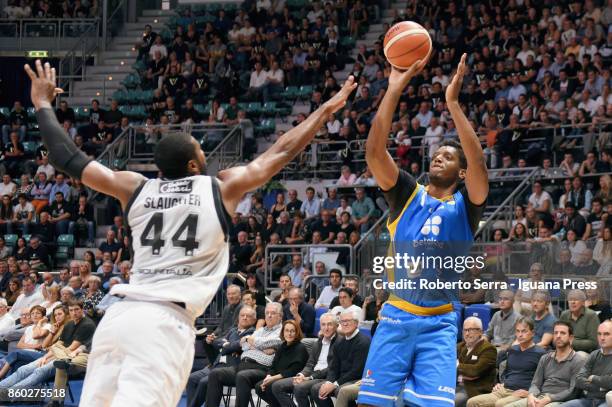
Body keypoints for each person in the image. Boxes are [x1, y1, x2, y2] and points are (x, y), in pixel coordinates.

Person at [24, 60, 356, 406]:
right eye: (200, 148)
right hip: (165, 324)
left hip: (119, 317)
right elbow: (283, 150)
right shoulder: (222, 188)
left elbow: (67, 157)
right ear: (195, 164)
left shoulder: (134, 187)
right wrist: (327, 109)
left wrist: (42, 104)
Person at [357, 54, 489, 407]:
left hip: (440, 323)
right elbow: (373, 153)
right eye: (437, 153)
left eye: (449, 156)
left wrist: (453, 105)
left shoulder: (466, 207)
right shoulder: (406, 195)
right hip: (397, 316)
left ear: (461, 174)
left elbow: (478, 163)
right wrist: (393, 88)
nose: (439, 156)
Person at [205, 302, 284, 407]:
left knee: (242, 376)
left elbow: (271, 342)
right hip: (242, 365)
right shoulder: (260, 330)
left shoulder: (282, 331)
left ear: (280, 316)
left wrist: (251, 341)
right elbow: (244, 345)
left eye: (273, 313)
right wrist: (254, 343)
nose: (269, 316)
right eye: (267, 313)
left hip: (263, 369)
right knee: (215, 373)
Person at [186, 305, 257, 407]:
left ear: (254, 320)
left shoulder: (252, 333)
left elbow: (234, 346)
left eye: (248, 316)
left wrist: (226, 344)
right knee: (192, 379)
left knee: (204, 382)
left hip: (230, 368)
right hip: (216, 365)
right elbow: (219, 342)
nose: (244, 318)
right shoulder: (232, 330)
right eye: (242, 315)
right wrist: (224, 344)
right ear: (238, 317)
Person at [503, 321, 587, 407]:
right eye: (555, 333)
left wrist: (549, 398)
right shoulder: (545, 358)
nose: (558, 336)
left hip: (561, 401)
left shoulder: (578, 360)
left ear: (571, 338)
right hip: (540, 397)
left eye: (562, 333)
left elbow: (573, 391)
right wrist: (531, 395)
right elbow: (535, 383)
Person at [466, 318, 547, 407]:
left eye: (524, 331)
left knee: (500, 404)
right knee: (472, 402)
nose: (520, 335)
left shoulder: (540, 353)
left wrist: (529, 393)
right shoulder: (512, 350)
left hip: (521, 393)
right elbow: (506, 372)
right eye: (518, 331)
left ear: (532, 333)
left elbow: (545, 379)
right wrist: (500, 384)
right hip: (503, 390)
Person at [270, 313, 338, 407]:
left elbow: (332, 368)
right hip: (311, 375)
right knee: (277, 386)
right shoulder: (318, 342)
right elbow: (310, 364)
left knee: (300, 388)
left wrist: (310, 377)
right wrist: (301, 375)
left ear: (336, 326)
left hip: (324, 377)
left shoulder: (339, 342)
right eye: (323, 324)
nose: (326, 328)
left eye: (329, 324)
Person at [312, 309, 370, 407]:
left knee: (341, 390)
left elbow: (357, 371)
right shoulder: (339, 343)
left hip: (357, 379)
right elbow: (334, 367)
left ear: (356, 323)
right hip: (342, 379)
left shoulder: (363, 342)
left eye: (348, 321)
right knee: (317, 389)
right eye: (342, 321)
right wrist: (329, 382)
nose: (345, 324)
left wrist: (335, 384)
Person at [254, 320, 309, 407]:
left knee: (273, 385)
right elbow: (273, 365)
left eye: (292, 331)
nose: (289, 333)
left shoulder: (300, 348)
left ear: (297, 333)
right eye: (286, 330)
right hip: (279, 377)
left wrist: (273, 378)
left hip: (292, 378)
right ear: (283, 332)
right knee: (259, 386)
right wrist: (268, 376)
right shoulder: (282, 346)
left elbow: (293, 371)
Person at [559, 320, 612, 407]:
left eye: (606, 334)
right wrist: (600, 387)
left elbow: (610, 382)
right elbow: (579, 379)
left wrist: (593, 377)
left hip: (607, 401)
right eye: (599, 334)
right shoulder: (594, 354)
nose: (602, 338)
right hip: (588, 400)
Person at [455, 317, 497, 407]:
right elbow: (447, 364)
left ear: (480, 332)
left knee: (453, 401)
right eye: (465, 330)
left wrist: (457, 364)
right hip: (456, 385)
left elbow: (475, 371)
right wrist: (465, 372)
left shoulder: (488, 349)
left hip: (474, 390)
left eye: (470, 330)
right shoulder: (461, 346)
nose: (467, 334)